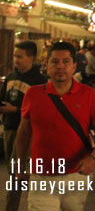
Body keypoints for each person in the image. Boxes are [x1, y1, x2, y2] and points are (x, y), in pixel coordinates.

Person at [15, 42, 95, 211]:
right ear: (47, 66)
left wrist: (93, 158)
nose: (60, 66)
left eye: (66, 62)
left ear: (74, 66)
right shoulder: (33, 94)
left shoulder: (88, 95)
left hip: (76, 175)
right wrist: (20, 165)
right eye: (55, 62)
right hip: (42, 177)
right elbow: (23, 134)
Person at [0, 41, 46, 211]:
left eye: (20, 56)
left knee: (16, 173)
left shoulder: (38, 81)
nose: (16, 60)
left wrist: (16, 110)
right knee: (14, 171)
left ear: (31, 58)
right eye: (15, 56)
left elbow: (40, 111)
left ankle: (14, 207)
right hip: (9, 128)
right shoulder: (11, 77)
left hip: (27, 132)